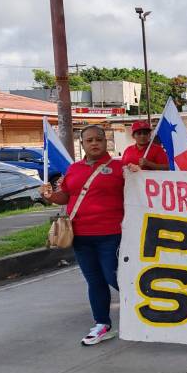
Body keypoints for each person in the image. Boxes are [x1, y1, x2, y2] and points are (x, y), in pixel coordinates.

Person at [40, 125, 125, 346]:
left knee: (115, 278)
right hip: (80, 236)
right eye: (89, 140)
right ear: (83, 144)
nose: (94, 143)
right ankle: (102, 324)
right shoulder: (74, 169)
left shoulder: (121, 167)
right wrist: (50, 196)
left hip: (112, 235)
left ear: (106, 142)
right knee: (94, 281)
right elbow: (65, 197)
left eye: (99, 139)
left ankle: (150, 312)